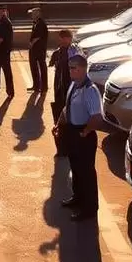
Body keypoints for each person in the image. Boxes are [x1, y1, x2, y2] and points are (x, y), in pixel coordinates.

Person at [52, 54, 105, 221]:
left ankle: (89, 209)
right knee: (75, 168)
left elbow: (97, 118)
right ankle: (78, 198)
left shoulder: (90, 90)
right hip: (72, 131)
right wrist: (59, 123)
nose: (70, 71)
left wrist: (85, 132)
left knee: (86, 173)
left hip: (83, 134)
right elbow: (67, 108)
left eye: (73, 68)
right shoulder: (74, 85)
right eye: (69, 68)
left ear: (82, 69)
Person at [48, 29, 80, 155]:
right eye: (60, 38)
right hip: (59, 91)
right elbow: (52, 65)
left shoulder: (74, 53)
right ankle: (61, 148)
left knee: (70, 121)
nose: (61, 41)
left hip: (70, 91)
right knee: (59, 120)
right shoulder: (58, 52)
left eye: (64, 38)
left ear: (69, 39)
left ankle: (70, 147)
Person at [27, 7, 49, 94]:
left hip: (40, 49)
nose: (31, 15)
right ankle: (36, 86)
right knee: (34, 67)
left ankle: (44, 87)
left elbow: (38, 37)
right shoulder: (35, 23)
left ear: (38, 14)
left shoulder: (41, 24)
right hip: (34, 50)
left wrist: (31, 43)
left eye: (33, 13)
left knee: (42, 67)